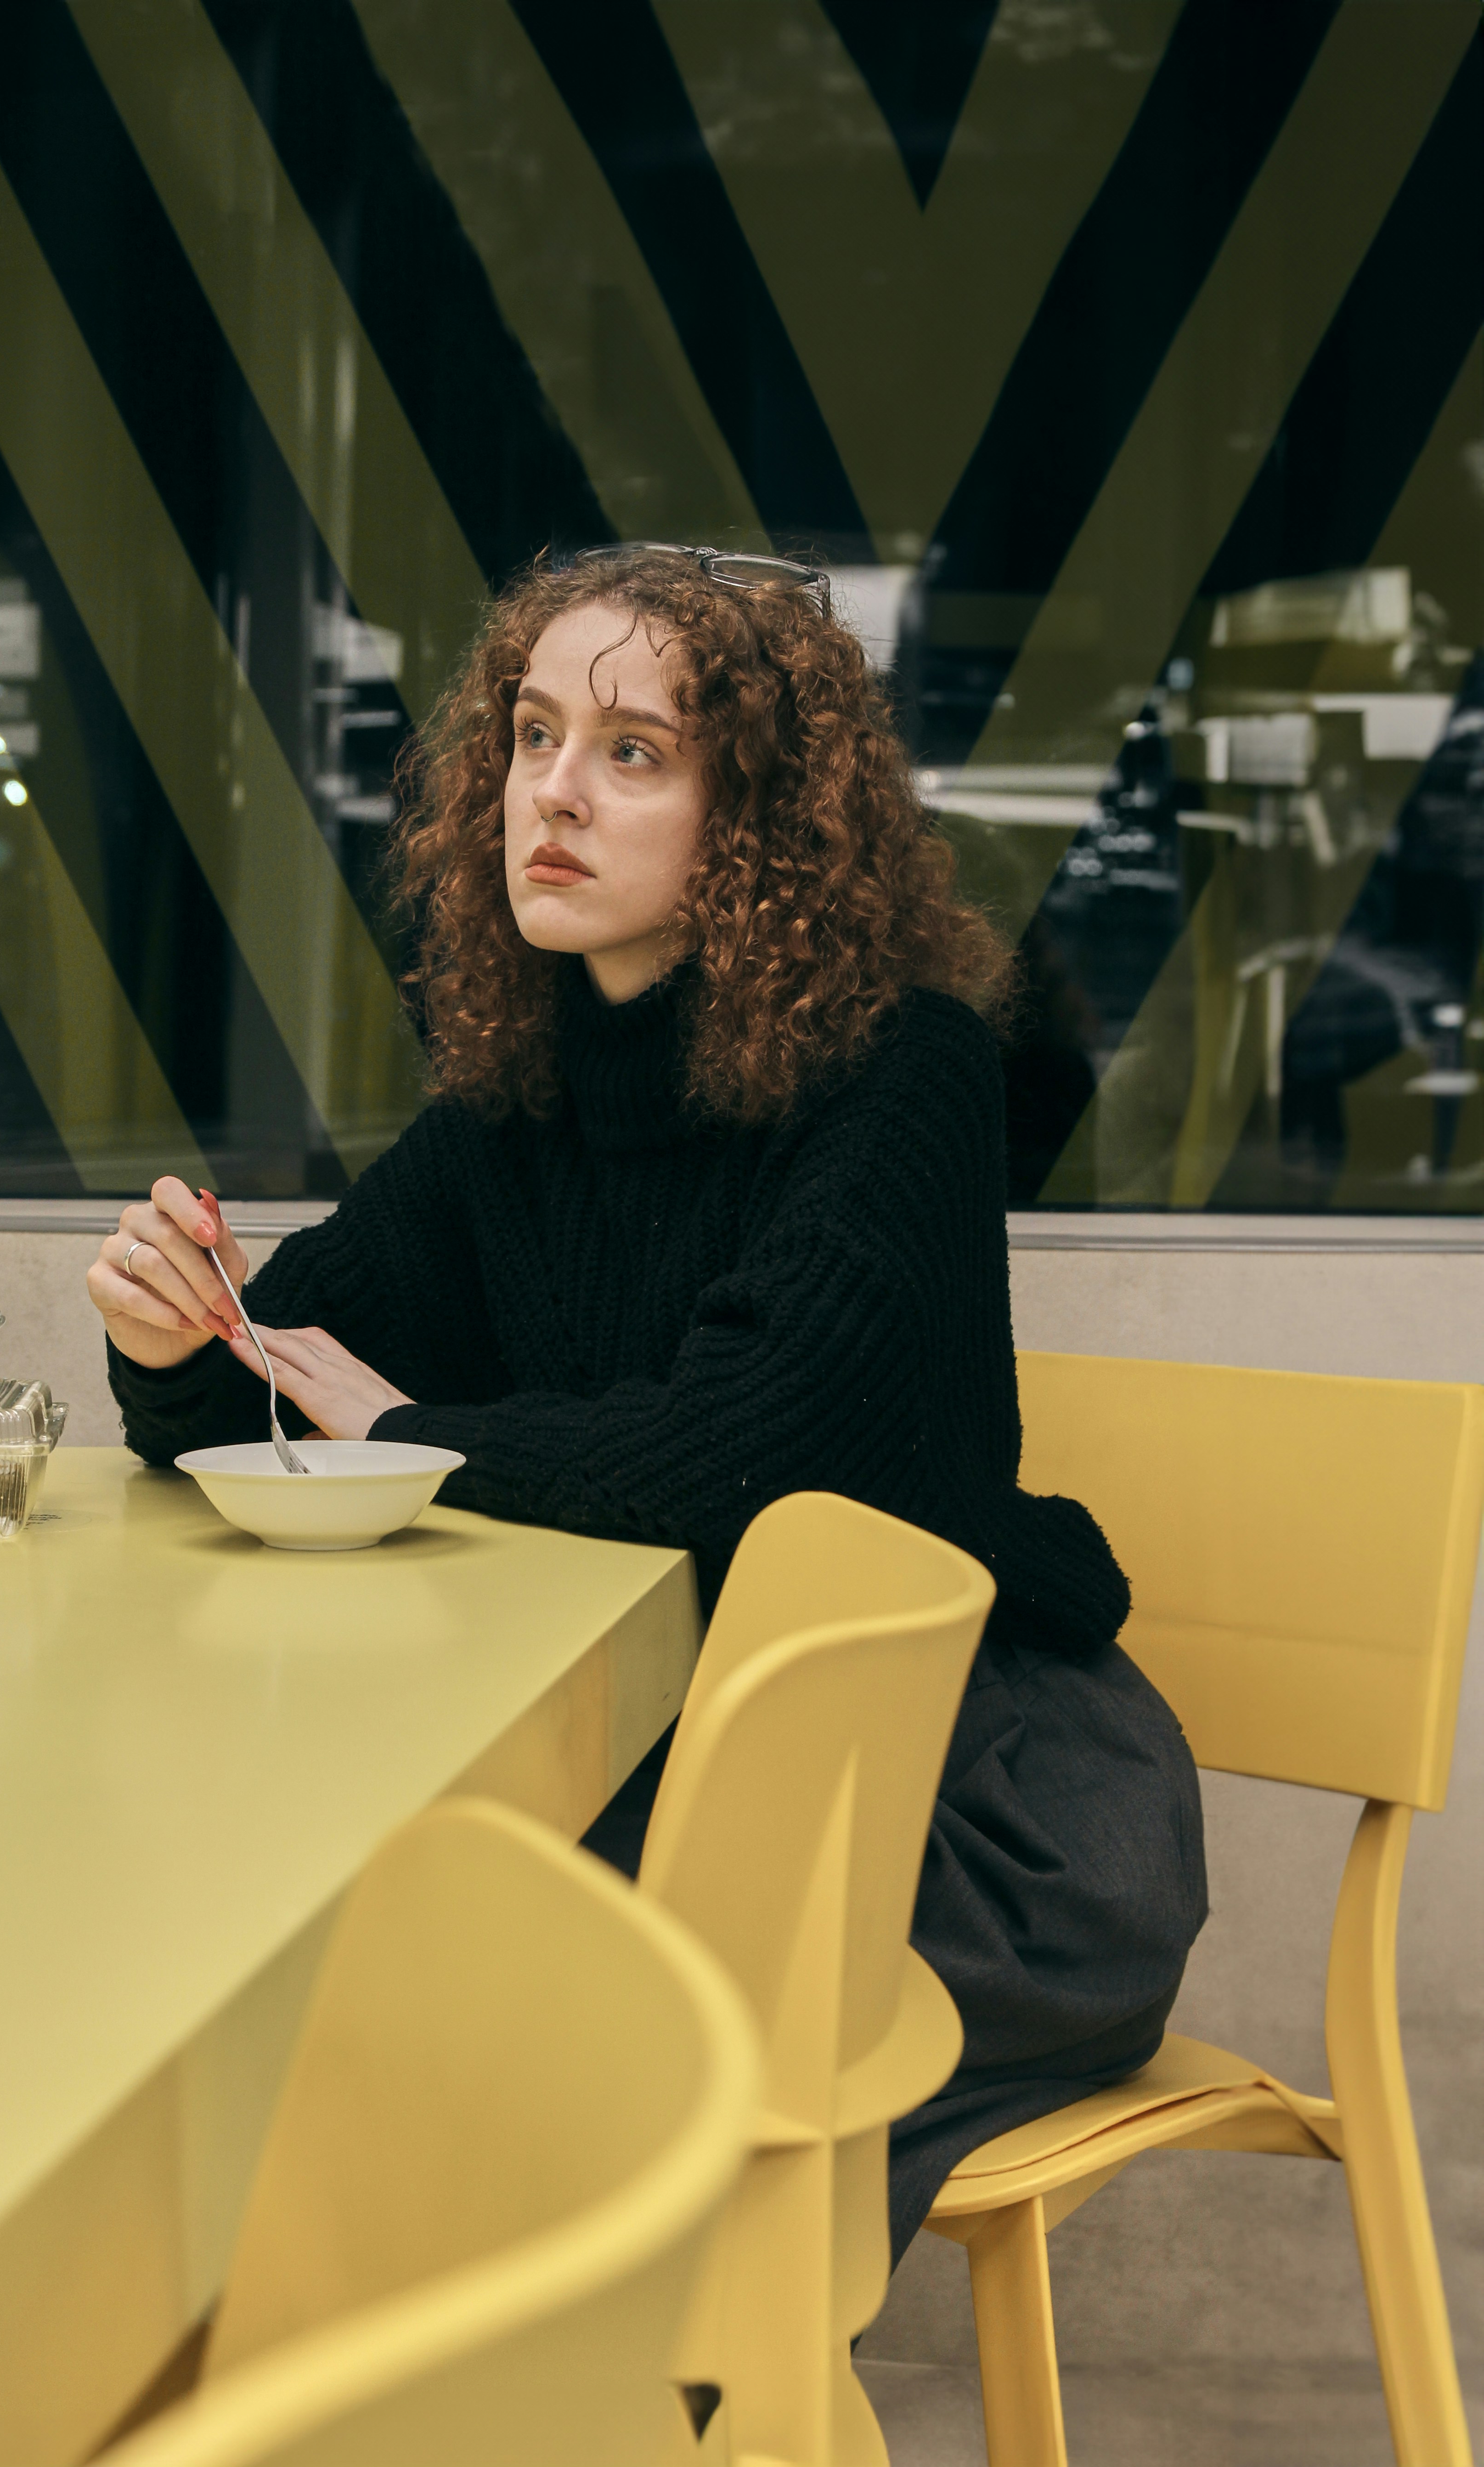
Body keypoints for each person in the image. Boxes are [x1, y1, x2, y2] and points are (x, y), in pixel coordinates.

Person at [86, 544, 1207, 2261]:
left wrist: (404, 1437)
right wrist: (171, 1343)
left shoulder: (908, 1074)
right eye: (533, 737)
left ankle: (628, 2392)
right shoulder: (516, 1110)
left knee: (465, 2042)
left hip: (965, 1802)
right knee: (325, 1970)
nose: (554, 793)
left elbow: (738, 1452)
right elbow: (281, 1351)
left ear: (754, 813)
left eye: (633, 752)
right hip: (661, 1753)